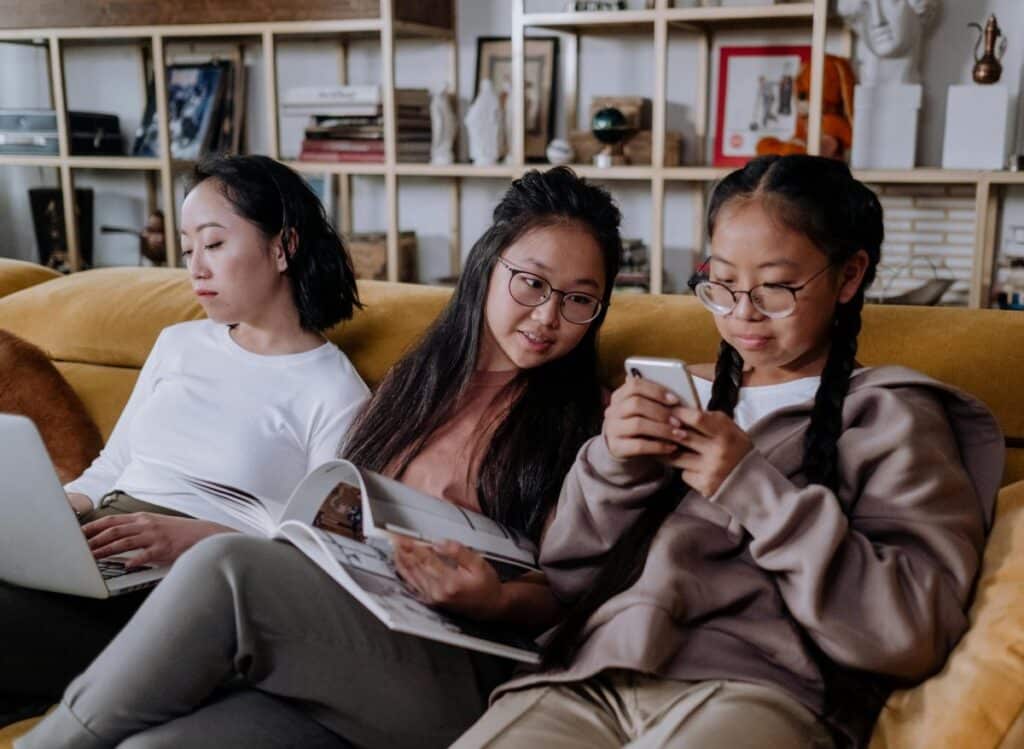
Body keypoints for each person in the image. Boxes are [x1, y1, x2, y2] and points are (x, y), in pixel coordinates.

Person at [18, 166, 625, 749]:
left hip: (458, 669)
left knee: (228, 563)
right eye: (533, 283)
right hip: (346, 642)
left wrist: (491, 599)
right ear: (489, 266)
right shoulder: (415, 382)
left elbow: (568, 592)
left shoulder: (591, 422)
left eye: (580, 299)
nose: (548, 316)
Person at [452, 154, 1003, 749]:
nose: (743, 314)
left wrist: (750, 485)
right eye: (722, 285)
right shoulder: (676, 390)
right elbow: (566, 575)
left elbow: (912, 630)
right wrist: (612, 464)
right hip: (588, 675)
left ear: (848, 276)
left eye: (774, 288)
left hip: (762, 691)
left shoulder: (891, 415)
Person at [0, 153, 370, 726]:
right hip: (97, 551)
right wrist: (52, 511)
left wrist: (198, 540)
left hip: (184, 590)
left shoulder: (334, 391)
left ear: (283, 246)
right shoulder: (179, 343)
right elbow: (114, 465)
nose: (195, 267)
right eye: (187, 246)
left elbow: (326, 553)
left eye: (215, 244)